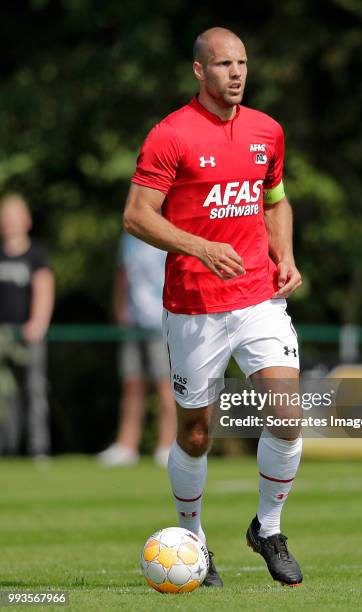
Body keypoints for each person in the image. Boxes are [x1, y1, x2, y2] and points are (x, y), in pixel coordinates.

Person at [123, 27, 303, 587]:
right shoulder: (170, 135)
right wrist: (200, 246)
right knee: (196, 433)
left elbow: (274, 199)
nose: (237, 73)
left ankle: (268, 529)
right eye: (224, 64)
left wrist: (286, 256)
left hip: (257, 297)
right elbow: (136, 215)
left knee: (287, 414)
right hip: (194, 304)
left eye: (243, 63)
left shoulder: (266, 130)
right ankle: (194, 542)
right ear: (199, 71)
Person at [97, 232, 176, 467]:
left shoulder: (170, 231)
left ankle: (166, 445)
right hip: (133, 322)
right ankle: (127, 446)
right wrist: (120, 310)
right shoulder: (129, 238)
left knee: (165, 386)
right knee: (131, 385)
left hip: (161, 320)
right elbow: (123, 275)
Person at [0, 193, 54, 458]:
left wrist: (37, 323)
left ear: (26, 220)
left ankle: (38, 449)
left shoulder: (36, 254)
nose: (9, 222)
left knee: (34, 390)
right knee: (4, 395)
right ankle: (7, 449)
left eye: (14, 216)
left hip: (28, 335)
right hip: (2, 337)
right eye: (5, 216)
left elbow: (44, 289)